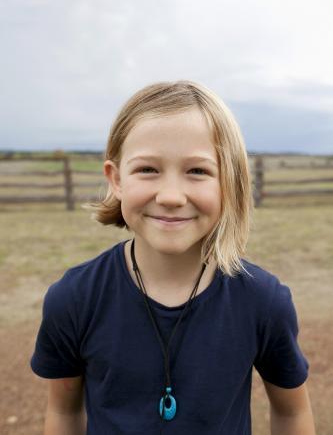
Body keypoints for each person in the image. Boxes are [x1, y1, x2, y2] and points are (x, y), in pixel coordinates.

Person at [30, 80, 315, 434]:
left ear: (229, 183)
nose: (170, 196)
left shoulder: (263, 301)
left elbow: (291, 414)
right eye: (148, 169)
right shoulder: (73, 298)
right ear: (116, 180)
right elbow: (63, 414)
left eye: (197, 171)